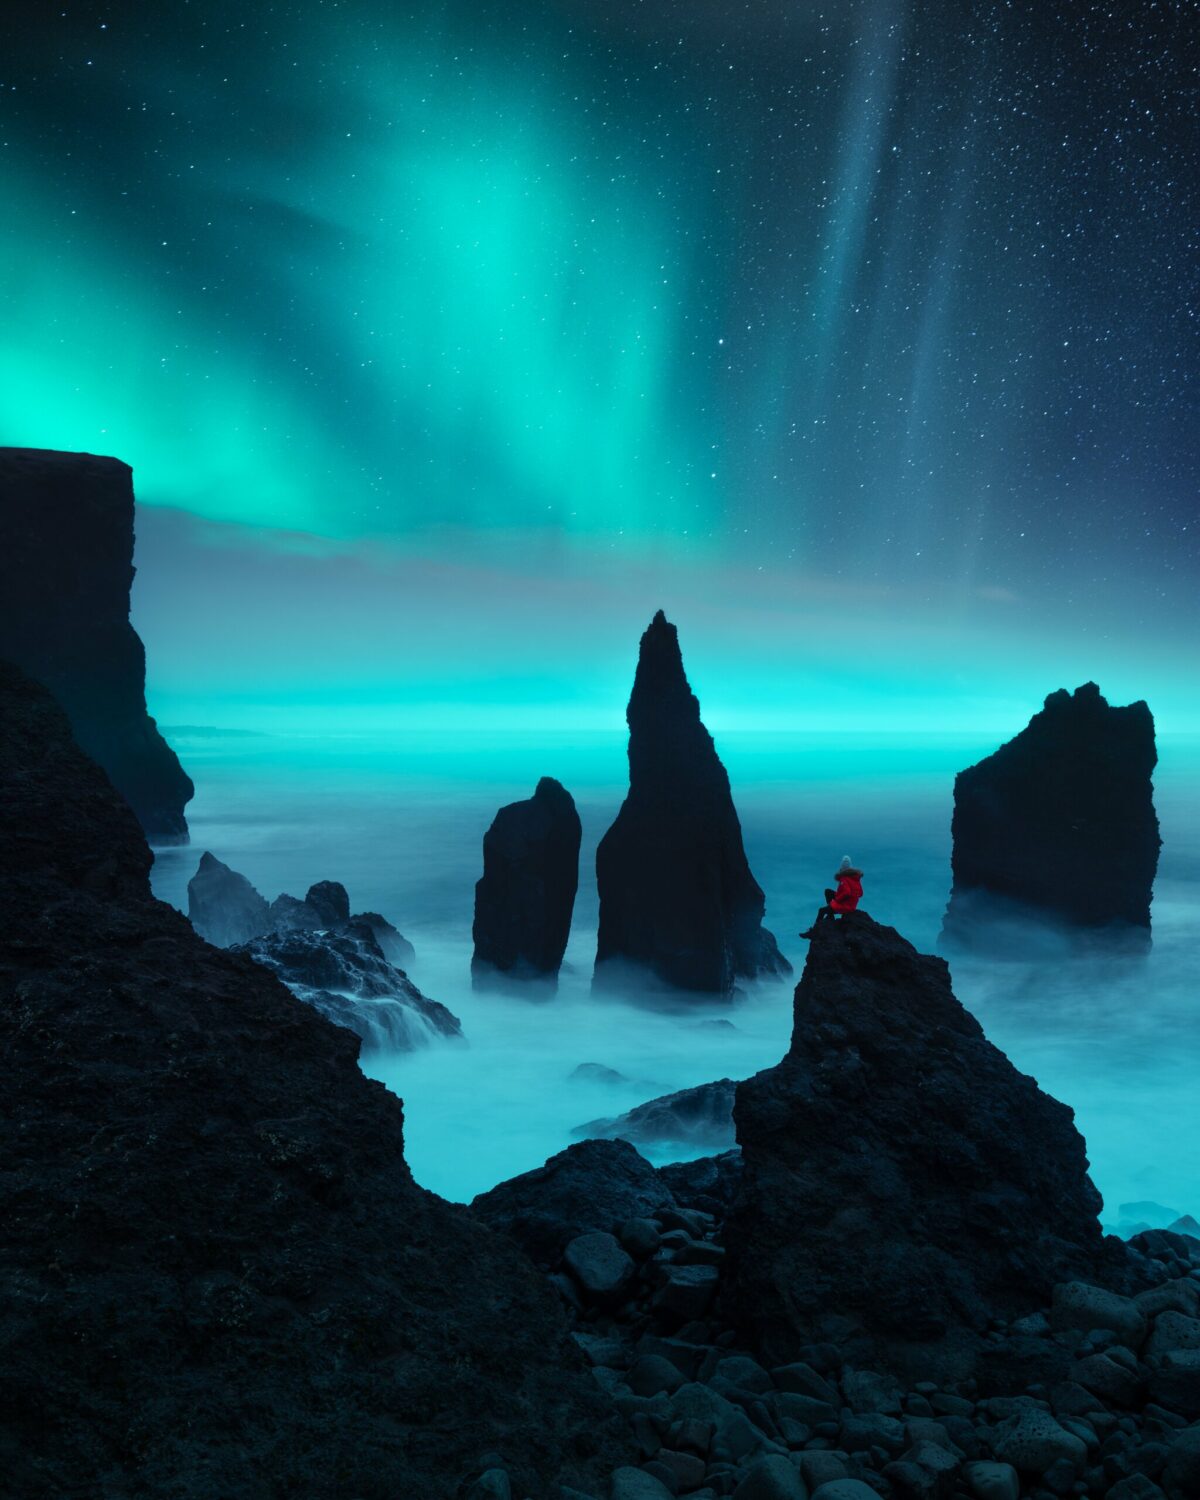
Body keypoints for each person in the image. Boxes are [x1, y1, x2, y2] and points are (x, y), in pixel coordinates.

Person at [800, 856, 863, 937]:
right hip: (851, 905)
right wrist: (852, 896)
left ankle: (814, 932)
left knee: (821, 910)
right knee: (828, 892)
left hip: (845, 906)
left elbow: (846, 893)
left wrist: (837, 900)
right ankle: (830, 916)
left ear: (842, 869)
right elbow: (860, 894)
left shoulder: (844, 878)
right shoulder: (856, 879)